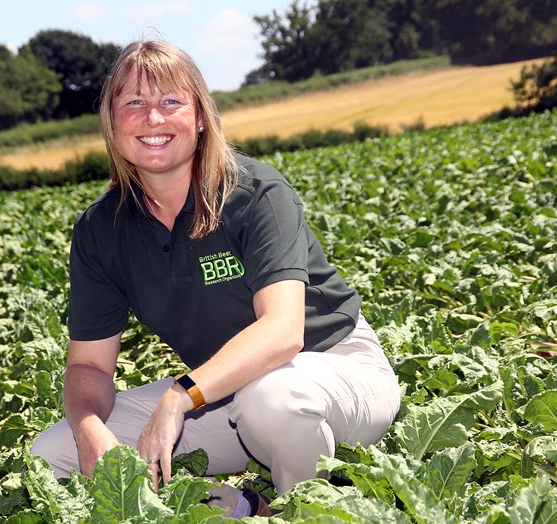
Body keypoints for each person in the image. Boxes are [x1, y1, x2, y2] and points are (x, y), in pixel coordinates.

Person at [30, 39, 401, 515]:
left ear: (201, 116)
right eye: (134, 103)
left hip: (334, 373)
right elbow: (89, 367)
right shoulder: (101, 229)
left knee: (271, 399)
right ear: (112, 123)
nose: (153, 118)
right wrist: (89, 431)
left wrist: (178, 398)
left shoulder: (255, 193)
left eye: (170, 101)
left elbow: (283, 333)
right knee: (52, 453)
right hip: (221, 395)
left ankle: (301, 509)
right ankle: (244, 505)